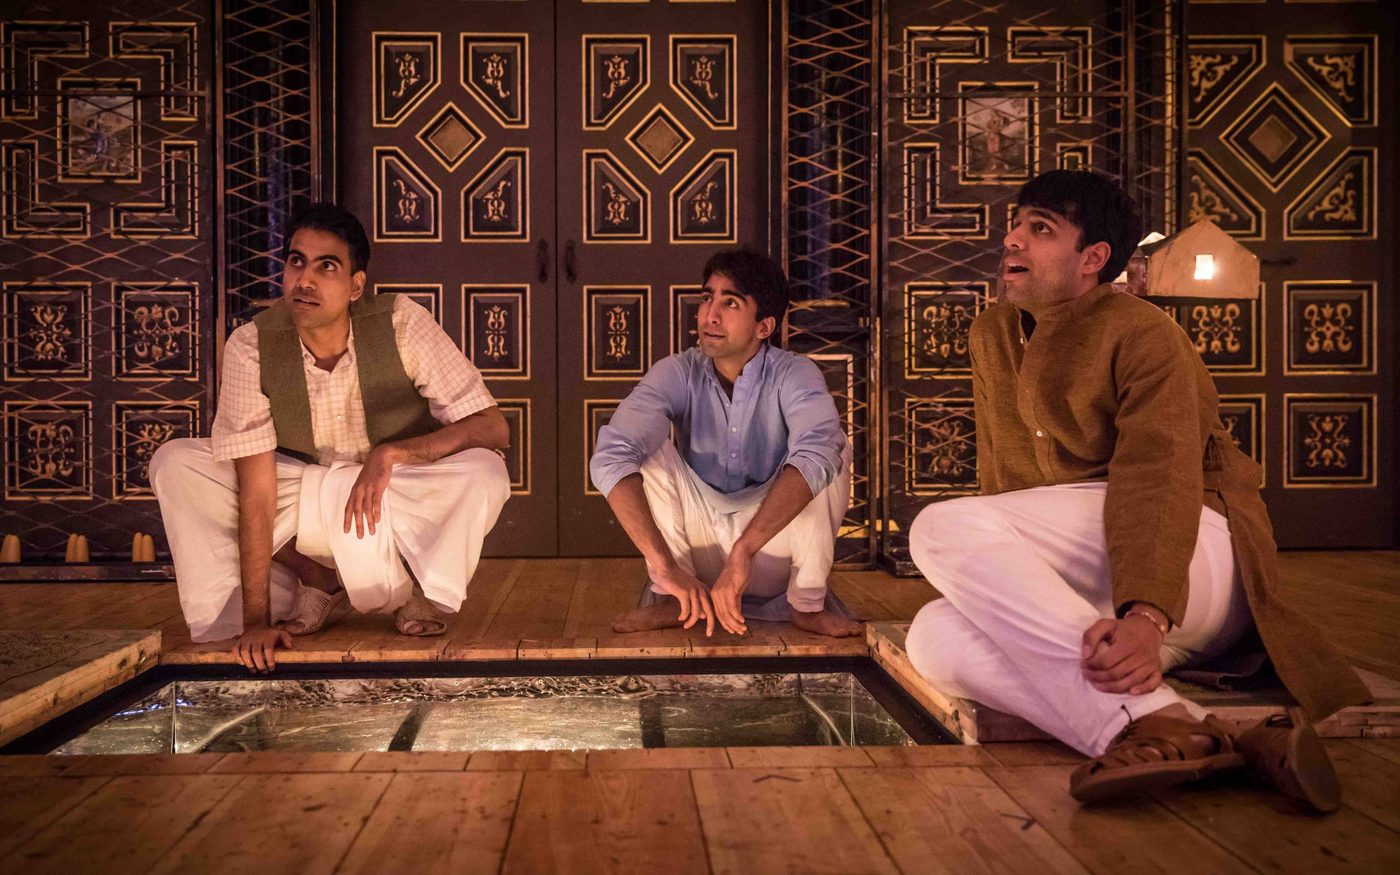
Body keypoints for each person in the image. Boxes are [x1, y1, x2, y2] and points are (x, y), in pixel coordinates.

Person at [905, 170, 1369, 808]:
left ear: (1093, 258)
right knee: (932, 636)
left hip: (1195, 560)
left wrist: (1147, 613)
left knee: (941, 525)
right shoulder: (993, 334)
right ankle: (1181, 726)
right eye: (1017, 224)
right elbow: (1006, 485)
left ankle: (1165, 719)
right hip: (1091, 576)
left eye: (1040, 229)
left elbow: (1160, 475)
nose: (1012, 239)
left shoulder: (1145, 332)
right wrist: (1004, 578)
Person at [150, 203, 511, 671]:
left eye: (327, 267)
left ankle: (411, 589)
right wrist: (255, 622)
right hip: (301, 497)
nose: (305, 280)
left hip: (391, 493)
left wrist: (392, 454)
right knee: (177, 463)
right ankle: (316, 578)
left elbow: (492, 426)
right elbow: (257, 490)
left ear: (356, 285)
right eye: (297, 261)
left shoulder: (403, 324)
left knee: (485, 471)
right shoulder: (251, 344)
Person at [590, 247, 859, 639]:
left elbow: (818, 449)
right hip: (694, 557)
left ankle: (806, 605)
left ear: (763, 327)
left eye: (729, 303)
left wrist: (744, 551)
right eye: (706, 298)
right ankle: (670, 597)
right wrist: (664, 566)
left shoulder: (795, 374)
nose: (709, 316)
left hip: (769, 551)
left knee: (831, 448)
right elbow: (610, 457)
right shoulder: (677, 371)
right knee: (642, 452)